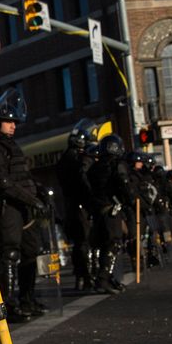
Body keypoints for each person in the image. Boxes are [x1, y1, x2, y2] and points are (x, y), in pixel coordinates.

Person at [0, 91, 47, 322]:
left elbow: (21, 175)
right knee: (11, 254)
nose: (13, 126)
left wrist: (40, 193)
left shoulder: (9, 145)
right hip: (8, 208)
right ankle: (7, 305)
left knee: (30, 253)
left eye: (15, 122)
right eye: (9, 121)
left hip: (24, 207)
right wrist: (32, 200)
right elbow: (4, 183)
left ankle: (27, 299)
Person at [86, 134, 132, 293]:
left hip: (98, 210)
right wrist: (129, 199)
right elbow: (124, 185)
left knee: (104, 244)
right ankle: (103, 279)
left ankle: (108, 277)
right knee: (113, 243)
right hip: (111, 209)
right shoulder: (117, 165)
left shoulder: (94, 167)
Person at [56, 122, 97, 291]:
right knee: (84, 241)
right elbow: (83, 181)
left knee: (78, 242)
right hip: (80, 205)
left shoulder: (64, 158)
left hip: (70, 205)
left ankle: (81, 276)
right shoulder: (77, 160)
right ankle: (86, 277)